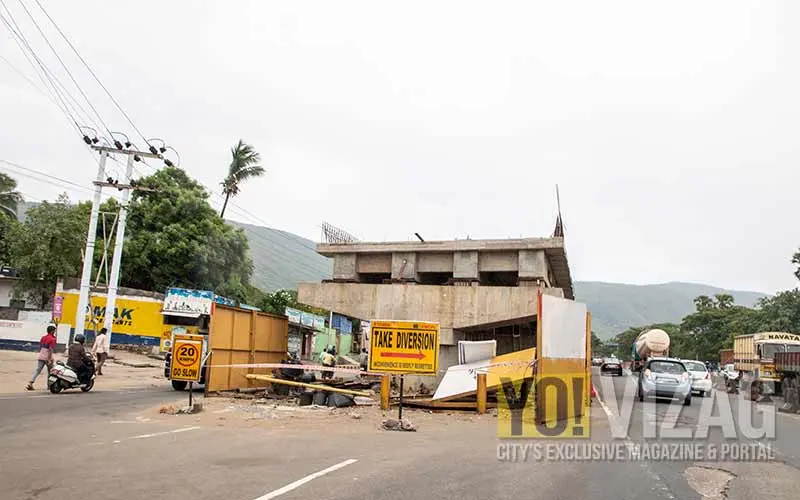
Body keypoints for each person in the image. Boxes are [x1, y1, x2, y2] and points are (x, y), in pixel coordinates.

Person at [26, 325, 57, 391]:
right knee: (51, 372)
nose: (54, 332)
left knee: (38, 370)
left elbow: (40, 347)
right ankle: (49, 386)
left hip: (41, 355)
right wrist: (49, 359)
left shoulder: (43, 337)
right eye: (54, 330)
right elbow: (51, 349)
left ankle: (31, 382)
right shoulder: (52, 339)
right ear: (52, 331)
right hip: (48, 357)